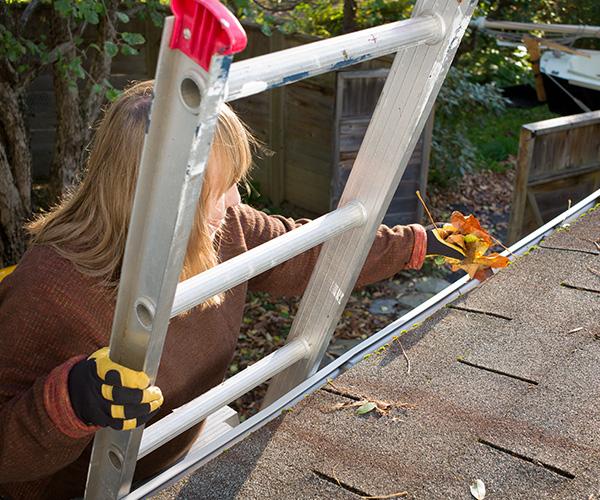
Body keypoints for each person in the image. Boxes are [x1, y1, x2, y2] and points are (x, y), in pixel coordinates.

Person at [0, 81, 464, 500]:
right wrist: (70, 401)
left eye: (234, 182)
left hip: (167, 464)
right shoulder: (49, 288)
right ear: (155, 196)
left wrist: (421, 243)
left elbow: (312, 249)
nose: (237, 202)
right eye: (218, 190)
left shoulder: (225, 230)